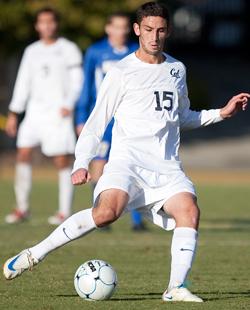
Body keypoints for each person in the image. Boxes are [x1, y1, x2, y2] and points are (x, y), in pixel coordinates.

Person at [3, 2, 249, 303]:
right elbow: (97, 122)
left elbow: (182, 117)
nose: (154, 36)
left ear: (168, 31)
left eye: (160, 30)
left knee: (189, 211)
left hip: (166, 168)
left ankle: (175, 288)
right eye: (148, 30)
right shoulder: (121, 72)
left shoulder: (176, 69)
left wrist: (221, 113)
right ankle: (34, 254)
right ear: (137, 30)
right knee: (106, 213)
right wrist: (82, 162)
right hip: (127, 163)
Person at [4, 7, 83, 225]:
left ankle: (64, 211)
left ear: (56, 24)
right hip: (34, 113)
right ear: (37, 26)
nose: (46, 26)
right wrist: (14, 113)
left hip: (58, 113)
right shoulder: (31, 51)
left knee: (61, 160)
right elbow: (23, 83)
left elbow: (78, 80)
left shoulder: (68, 49)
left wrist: (69, 104)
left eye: (50, 22)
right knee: (23, 153)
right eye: (42, 22)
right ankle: (22, 209)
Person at [75, 12, 145, 231]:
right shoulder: (96, 52)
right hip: (104, 120)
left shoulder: (137, 52)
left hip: (128, 120)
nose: (120, 31)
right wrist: (81, 118)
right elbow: (86, 86)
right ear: (108, 28)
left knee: (133, 165)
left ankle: (137, 222)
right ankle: (101, 214)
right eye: (116, 27)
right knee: (99, 167)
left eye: (124, 27)